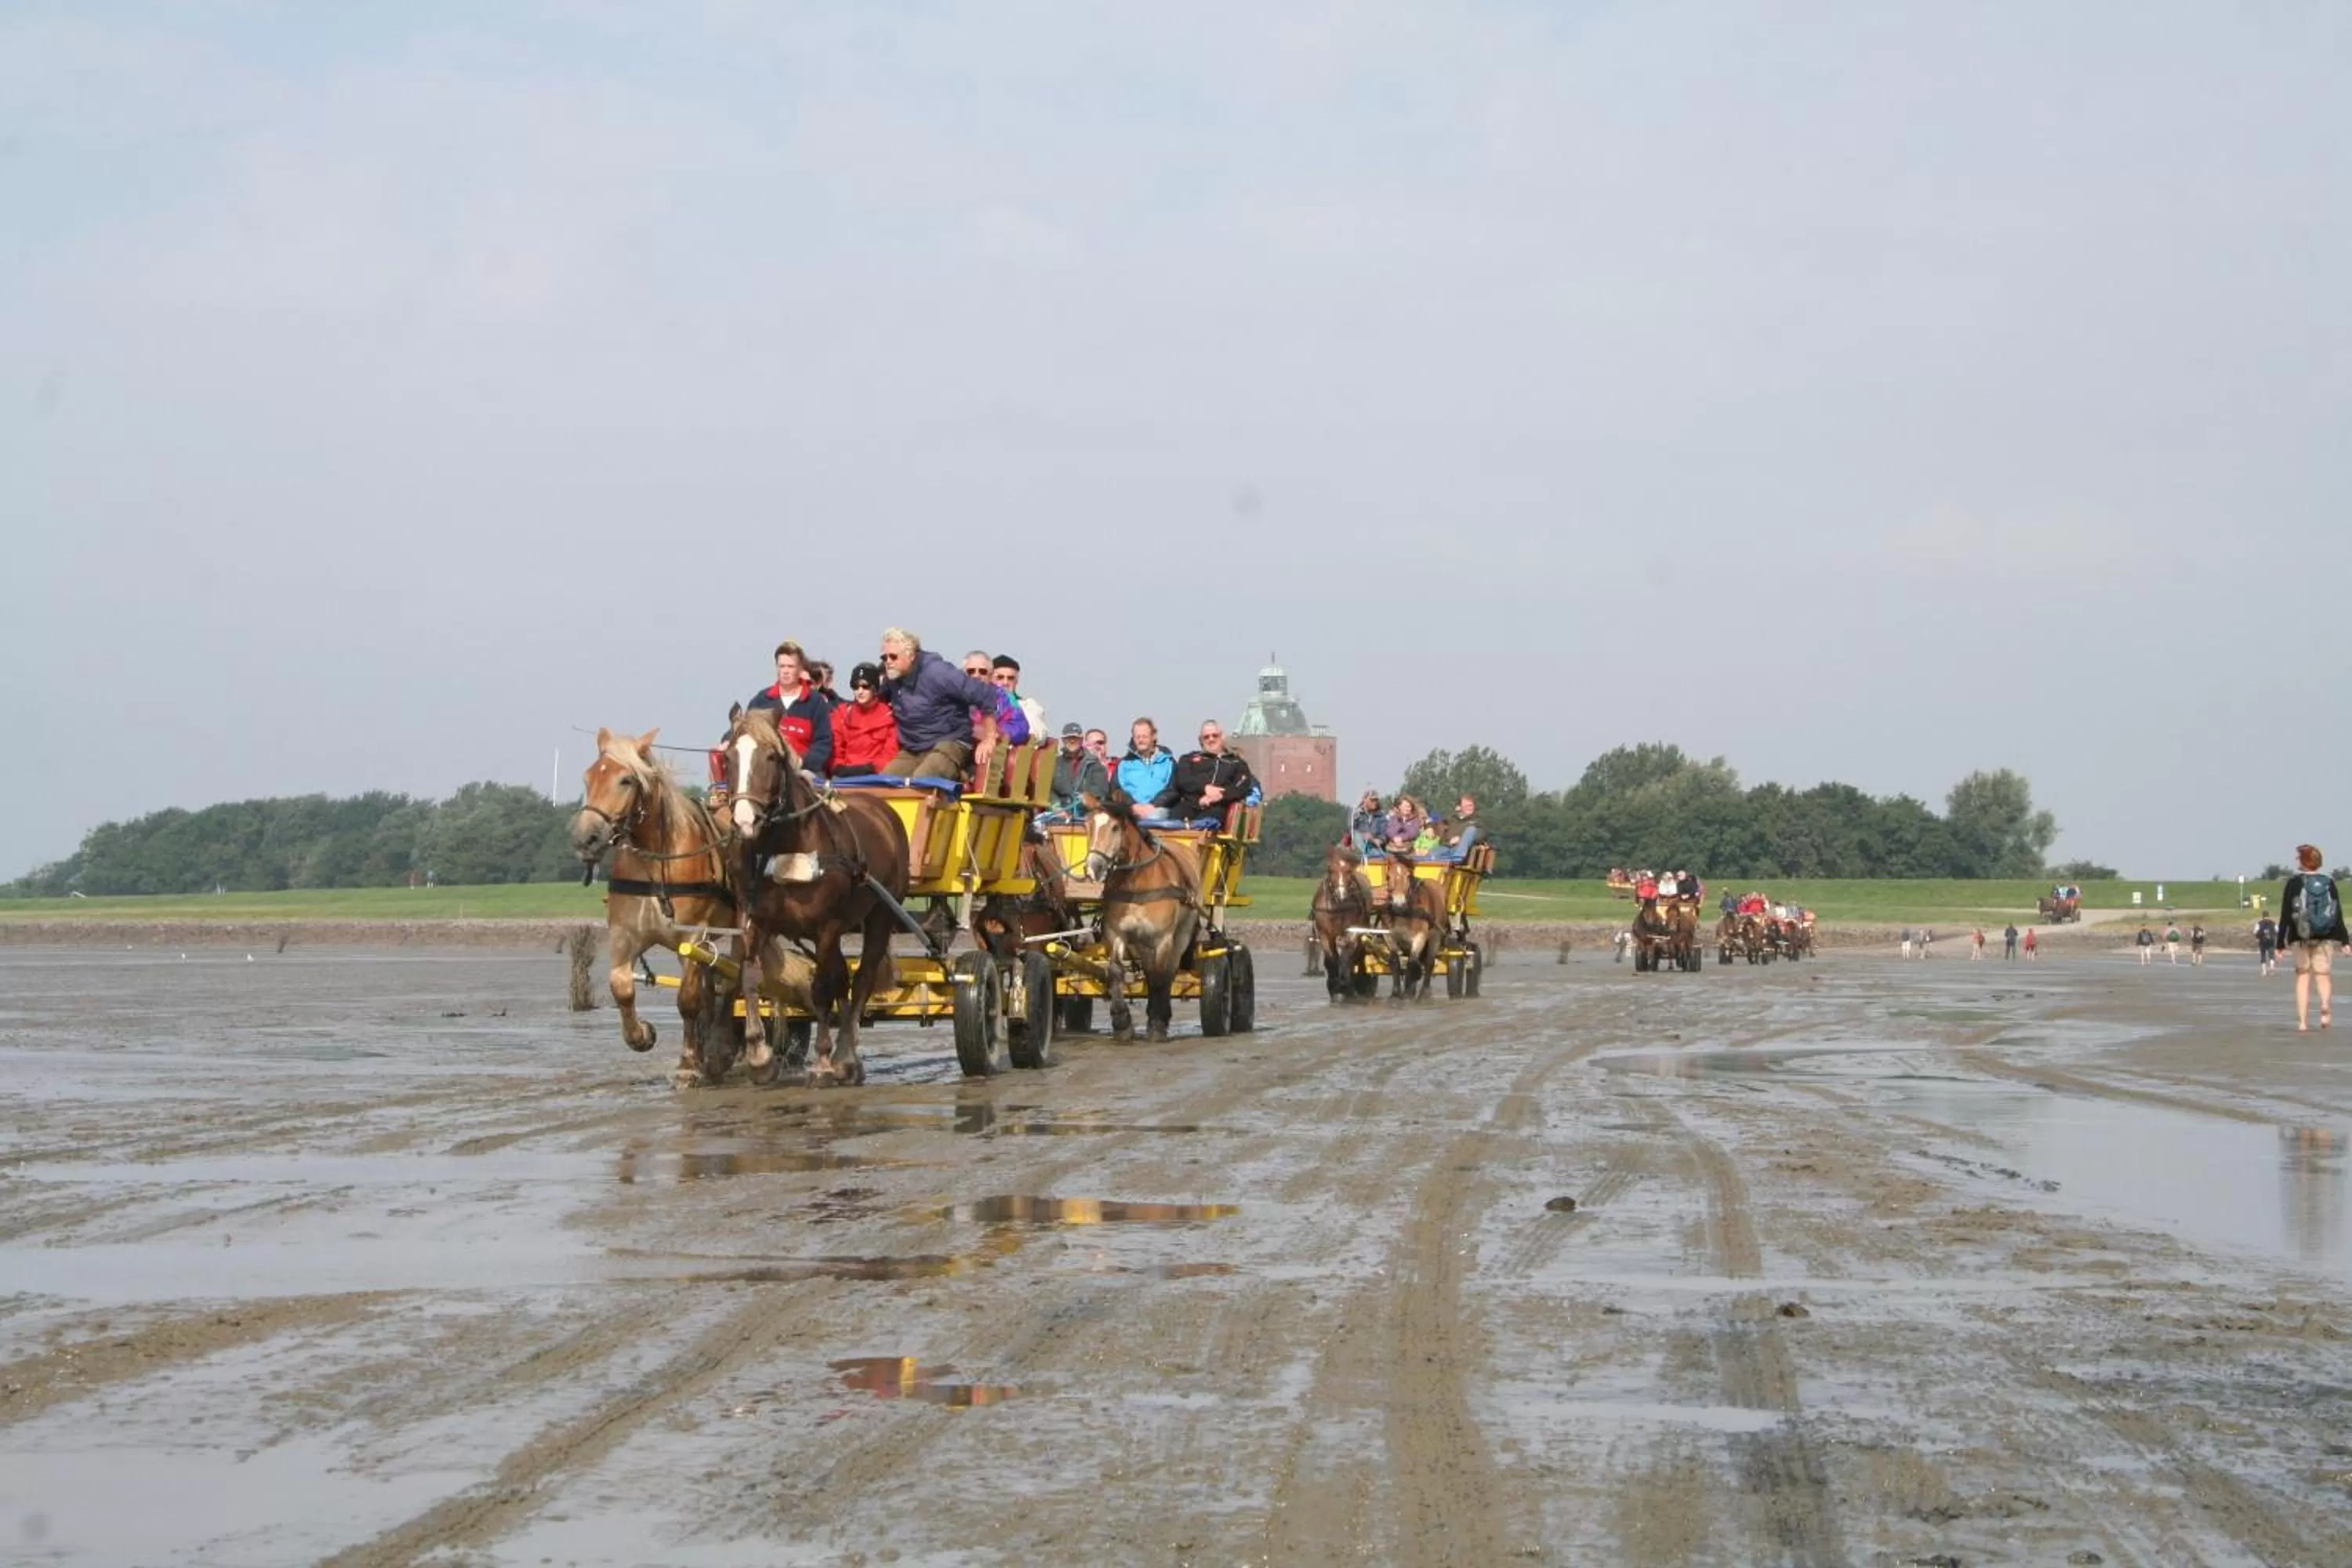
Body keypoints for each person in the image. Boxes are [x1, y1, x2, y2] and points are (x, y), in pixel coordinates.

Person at [875, 626, 1023, 780]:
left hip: (950, 742)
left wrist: (990, 738)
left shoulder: (939, 673)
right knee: (884, 784)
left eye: (893, 657)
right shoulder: (893, 678)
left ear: (911, 655)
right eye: (884, 658)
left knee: (922, 781)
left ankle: (958, 775)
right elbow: (875, 700)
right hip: (914, 749)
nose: (888, 662)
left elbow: (984, 695)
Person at [2278, 844, 2349, 1032]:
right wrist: (2345, 941)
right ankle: (2325, 1005)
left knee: (2303, 977)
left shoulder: (2294, 883)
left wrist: (2280, 944)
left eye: (2298, 857)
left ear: (2304, 861)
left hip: (2299, 936)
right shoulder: (2328, 882)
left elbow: (2285, 914)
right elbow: (2337, 912)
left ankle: (2303, 1023)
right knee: (2323, 975)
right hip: (2325, 936)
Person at [746, 641, 834, 776]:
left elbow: (823, 743)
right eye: (782, 666)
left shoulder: (815, 702)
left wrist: (801, 762)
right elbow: (745, 730)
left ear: (800, 669)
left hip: (803, 772)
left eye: (790, 667)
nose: (785, 671)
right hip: (766, 771)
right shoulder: (762, 700)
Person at [1168, 720, 1260, 824]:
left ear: (1222, 737)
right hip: (1191, 804)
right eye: (1206, 737)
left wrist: (1220, 795)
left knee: (1208, 821)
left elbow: (1241, 786)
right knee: (1172, 821)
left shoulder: (1236, 763)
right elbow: (1183, 780)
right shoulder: (1188, 759)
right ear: (1200, 740)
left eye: (1214, 736)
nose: (1211, 739)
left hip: (1220, 806)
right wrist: (1205, 788)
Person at [829, 661, 898, 775]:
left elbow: (890, 752)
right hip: (844, 776)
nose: (860, 691)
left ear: (875, 688)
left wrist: (872, 768)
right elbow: (835, 747)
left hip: (875, 777)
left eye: (865, 686)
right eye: (855, 686)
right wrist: (838, 767)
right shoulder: (841, 714)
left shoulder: (889, 716)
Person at [1115, 718, 1179, 818]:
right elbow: (1116, 790)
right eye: (1137, 737)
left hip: (1157, 810)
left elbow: (1173, 790)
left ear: (1153, 737)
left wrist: (1153, 805)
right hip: (1130, 810)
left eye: (1144, 737)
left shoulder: (1168, 762)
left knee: (1154, 817)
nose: (1141, 740)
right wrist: (1133, 805)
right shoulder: (1124, 764)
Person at [1047, 721, 1109, 817]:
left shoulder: (1094, 764)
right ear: (1063, 740)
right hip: (1059, 815)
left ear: (1081, 740)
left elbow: (1100, 791)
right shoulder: (1055, 764)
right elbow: (1049, 789)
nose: (1072, 741)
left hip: (1088, 815)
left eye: (1075, 738)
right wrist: (1056, 807)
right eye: (1069, 738)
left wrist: (1083, 800)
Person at [990, 654, 1047, 739]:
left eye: (1010, 678)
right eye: (1000, 677)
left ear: (1016, 681)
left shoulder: (1028, 706)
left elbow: (1037, 734)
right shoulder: (981, 704)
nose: (1005, 682)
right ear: (990, 679)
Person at [1350, 790, 1385, 855]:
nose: (1375, 802)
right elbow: (1351, 829)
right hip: (1360, 843)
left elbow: (1384, 832)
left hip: (1374, 845)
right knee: (1357, 835)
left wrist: (1380, 840)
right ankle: (1363, 855)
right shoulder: (1356, 814)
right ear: (1364, 800)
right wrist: (1363, 835)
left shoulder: (1381, 816)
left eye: (1376, 800)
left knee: (1377, 853)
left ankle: (1370, 855)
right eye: (1372, 800)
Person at [2256, 913, 2279, 977]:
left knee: (2263, 956)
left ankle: (2264, 971)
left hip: (2262, 941)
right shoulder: (2273, 923)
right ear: (2269, 916)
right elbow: (2277, 931)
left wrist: (2258, 937)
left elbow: (2255, 932)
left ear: (2262, 916)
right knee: (2271, 956)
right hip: (2271, 941)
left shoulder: (2259, 923)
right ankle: (2272, 968)